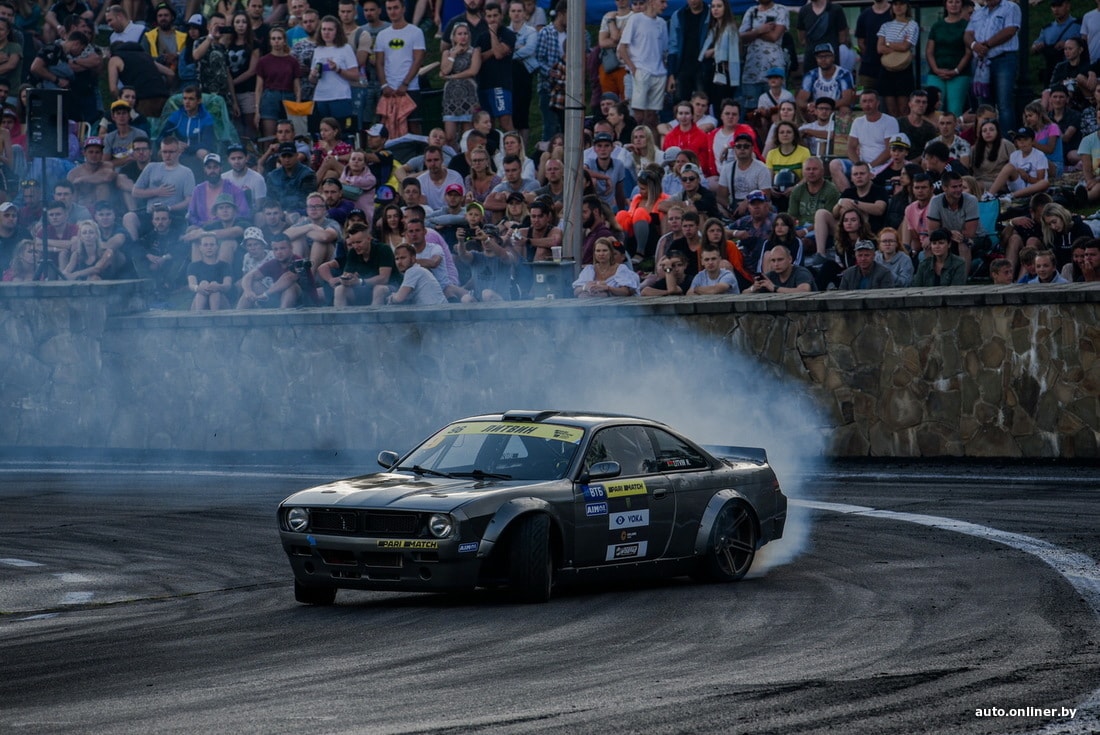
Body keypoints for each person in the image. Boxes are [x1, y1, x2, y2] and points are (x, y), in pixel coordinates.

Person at [964, 0, 1020, 135]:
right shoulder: (978, 13)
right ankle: (986, 138)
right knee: (984, 106)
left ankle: (1007, 140)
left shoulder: (1011, 7)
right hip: (981, 62)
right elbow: (967, 34)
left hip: (1003, 60)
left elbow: (1010, 30)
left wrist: (987, 45)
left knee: (1004, 104)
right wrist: (974, 46)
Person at [124, 135, 195, 241]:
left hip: (173, 215)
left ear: (178, 152)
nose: (167, 155)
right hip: (150, 213)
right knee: (129, 217)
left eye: (171, 152)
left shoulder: (186, 172)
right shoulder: (151, 167)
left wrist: (169, 208)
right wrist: (156, 192)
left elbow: (189, 201)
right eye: (164, 152)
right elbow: (135, 192)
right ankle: (135, 248)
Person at [375, 0, 427, 134]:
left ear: (403, 9)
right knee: (387, 127)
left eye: (396, 8)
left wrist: (405, 83)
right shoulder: (382, 35)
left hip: (410, 88)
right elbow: (379, 62)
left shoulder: (415, 32)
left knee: (414, 126)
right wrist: (384, 85)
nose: (392, 11)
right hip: (389, 89)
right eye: (389, 8)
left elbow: (418, 60)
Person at [318, 221, 397, 306]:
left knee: (379, 289)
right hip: (366, 289)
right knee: (340, 289)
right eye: (353, 243)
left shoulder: (383, 249)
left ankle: (373, 314)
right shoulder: (353, 252)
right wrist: (345, 280)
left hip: (391, 288)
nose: (355, 246)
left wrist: (360, 281)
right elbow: (346, 275)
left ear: (369, 238)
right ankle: (339, 315)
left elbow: (384, 279)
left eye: (359, 242)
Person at [619, 0, 668, 132]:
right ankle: (634, 142)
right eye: (662, 2)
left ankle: (652, 144)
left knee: (652, 117)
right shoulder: (635, 19)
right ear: (652, 2)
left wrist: (667, 73)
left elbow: (664, 52)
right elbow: (622, 48)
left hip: (659, 73)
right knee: (638, 116)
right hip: (641, 71)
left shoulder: (662, 23)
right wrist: (633, 69)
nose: (665, 6)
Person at [835, 89, 898, 190]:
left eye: (870, 101)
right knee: (834, 165)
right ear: (860, 104)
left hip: (883, 165)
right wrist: (859, 165)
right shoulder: (857, 122)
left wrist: (869, 167)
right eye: (864, 101)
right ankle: (847, 194)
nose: (867, 104)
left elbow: (889, 150)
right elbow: (851, 147)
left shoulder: (890, 121)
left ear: (878, 103)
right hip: (862, 164)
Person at [739, 0, 790, 111]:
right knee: (751, 111)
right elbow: (741, 37)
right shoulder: (751, 11)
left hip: (774, 68)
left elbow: (774, 36)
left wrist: (753, 32)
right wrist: (759, 30)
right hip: (751, 70)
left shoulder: (781, 10)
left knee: (777, 109)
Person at [924, 0, 971, 118]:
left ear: (961, 5)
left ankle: (955, 130)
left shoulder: (968, 26)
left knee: (954, 109)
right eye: (950, 2)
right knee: (932, 107)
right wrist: (936, 70)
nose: (954, 5)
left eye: (957, 2)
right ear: (945, 5)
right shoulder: (937, 26)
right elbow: (929, 51)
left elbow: (968, 52)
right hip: (936, 73)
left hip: (959, 74)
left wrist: (956, 71)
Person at [254, 27, 301, 139]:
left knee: (290, 135)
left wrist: (298, 106)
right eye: (273, 38)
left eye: (279, 38)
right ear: (270, 41)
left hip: (288, 97)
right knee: (269, 136)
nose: (276, 41)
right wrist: (257, 110)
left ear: (284, 41)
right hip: (269, 97)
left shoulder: (292, 61)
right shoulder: (263, 61)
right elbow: (259, 88)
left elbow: (297, 87)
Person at [440, 22, 481, 148]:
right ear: (454, 37)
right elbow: (444, 70)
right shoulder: (447, 53)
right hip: (450, 97)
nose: (463, 36)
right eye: (459, 34)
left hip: (468, 95)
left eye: (465, 33)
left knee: (467, 135)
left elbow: (473, 71)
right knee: (450, 137)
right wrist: (453, 55)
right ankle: (453, 156)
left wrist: (452, 77)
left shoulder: (474, 51)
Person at [875, 0, 919, 117]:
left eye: (902, 4)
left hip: (904, 69)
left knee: (903, 109)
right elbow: (879, 48)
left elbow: (905, 46)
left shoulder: (912, 25)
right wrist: (897, 46)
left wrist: (888, 43)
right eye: (895, 4)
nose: (898, 7)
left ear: (907, 6)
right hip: (887, 69)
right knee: (891, 110)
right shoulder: (885, 26)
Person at [238, 233, 304, 308]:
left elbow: (288, 278)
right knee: (254, 285)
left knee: (291, 287)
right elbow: (249, 276)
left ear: (291, 248)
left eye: (282, 248)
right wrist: (248, 291)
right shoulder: (273, 263)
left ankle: (282, 314)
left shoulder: (299, 261)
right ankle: (237, 314)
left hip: (304, 302)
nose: (279, 252)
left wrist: (266, 294)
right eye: (275, 249)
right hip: (278, 300)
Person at [985, 128, 1051, 201]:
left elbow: (1040, 180)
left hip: (1034, 187)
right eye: (1019, 140)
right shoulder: (1014, 155)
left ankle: (1010, 196)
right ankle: (989, 195)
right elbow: (1011, 174)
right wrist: (1018, 171)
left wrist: (1027, 177)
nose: (1022, 143)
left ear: (1032, 141)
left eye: (1025, 139)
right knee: (1009, 167)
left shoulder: (1039, 155)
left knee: (1045, 183)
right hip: (1019, 184)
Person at [716, 133, 772, 218]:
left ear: (752, 148)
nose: (742, 149)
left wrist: (747, 202)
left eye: (746, 146)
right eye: (738, 146)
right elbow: (721, 197)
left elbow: (766, 195)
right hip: (734, 206)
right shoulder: (727, 168)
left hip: (756, 205)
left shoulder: (762, 168)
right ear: (734, 149)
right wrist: (729, 208)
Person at [455, 223, 515, 301]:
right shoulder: (476, 256)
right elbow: (463, 256)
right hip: (480, 303)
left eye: (490, 237)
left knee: (487, 294)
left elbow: (504, 256)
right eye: (483, 237)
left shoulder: (506, 255)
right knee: (466, 298)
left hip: (501, 303)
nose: (484, 240)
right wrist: (461, 241)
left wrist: (487, 239)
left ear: (498, 240)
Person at [795, 43, 856, 117]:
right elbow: (800, 99)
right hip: (817, 109)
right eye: (820, 57)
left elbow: (847, 100)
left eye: (827, 56)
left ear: (833, 57)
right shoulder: (811, 75)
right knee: (805, 110)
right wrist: (809, 106)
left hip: (836, 107)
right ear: (816, 59)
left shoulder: (843, 74)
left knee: (844, 109)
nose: (823, 59)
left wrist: (825, 107)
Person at [572, 236, 639, 297]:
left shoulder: (620, 269)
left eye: (605, 250)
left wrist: (607, 288)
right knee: (583, 295)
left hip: (615, 305)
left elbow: (626, 292)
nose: (601, 254)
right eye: (598, 251)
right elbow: (575, 291)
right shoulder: (589, 269)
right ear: (594, 253)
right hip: (590, 303)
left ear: (610, 252)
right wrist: (585, 287)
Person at [796, 0, 848, 75]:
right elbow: (802, 37)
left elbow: (842, 37)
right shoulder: (804, 10)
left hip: (831, 60)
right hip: (811, 59)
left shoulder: (836, 9)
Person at [266, 142, 318, 214]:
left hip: (301, 212)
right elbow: (270, 199)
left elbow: (306, 199)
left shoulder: (308, 174)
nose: (287, 160)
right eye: (284, 156)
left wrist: (288, 212)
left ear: (296, 155)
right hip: (277, 213)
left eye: (290, 156)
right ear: (279, 157)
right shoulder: (272, 176)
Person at [67, 138, 118, 211]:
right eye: (91, 152)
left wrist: (82, 179)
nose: (94, 155)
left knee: (102, 186)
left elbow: (108, 177)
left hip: (104, 209)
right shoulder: (74, 173)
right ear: (84, 153)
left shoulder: (107, 165)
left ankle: (102, 212)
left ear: (102, 154)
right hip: (82, 207)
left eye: (97, 152)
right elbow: (70, 194)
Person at [187, 233, 232, 310]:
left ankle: (214, 315)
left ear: (217, 247)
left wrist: (218, 287)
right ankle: (199, 315)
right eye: (205, 245)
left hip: (220, 300)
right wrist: (198, 288)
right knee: (203, 284)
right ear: (200, 248)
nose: (209, 247)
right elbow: (192, 284)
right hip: (199, 298)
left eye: (212, 244)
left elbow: (227, 285)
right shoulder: (193, 266)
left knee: (215, 289)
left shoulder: (225, 265)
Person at [970, 120, 1014, 192]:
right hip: (978, 179)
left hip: (998, 182)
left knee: (975, 186)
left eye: (991, 130)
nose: (988, 132)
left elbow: (1015, 165)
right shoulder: (974, 148)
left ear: (997, 131)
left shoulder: (1006, 144)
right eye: (984, 131)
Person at [749, 244, 814, 292]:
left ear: (790, 259)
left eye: (780, 260)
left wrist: (775, 288)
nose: (776, 264)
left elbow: (804, 290)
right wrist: (753, 288)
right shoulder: (770, 275)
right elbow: (744, 292)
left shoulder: (801, 272)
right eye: (773, 260)